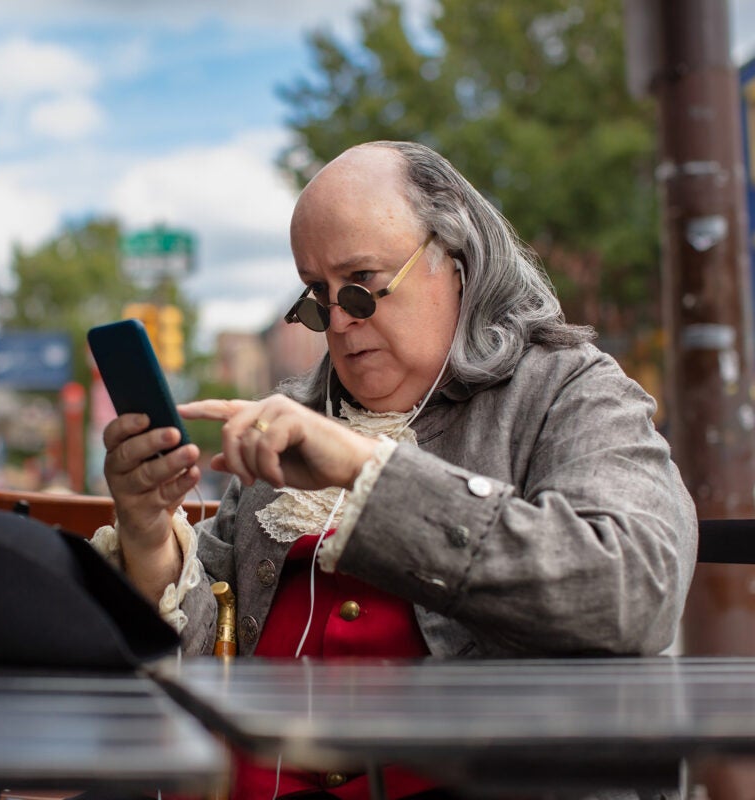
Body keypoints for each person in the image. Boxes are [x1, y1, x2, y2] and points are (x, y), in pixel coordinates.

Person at [95, 140, 698, 799]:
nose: (342, 324)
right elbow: (213, 653)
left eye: (363, 286)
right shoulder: (293, 413)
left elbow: (632, 590)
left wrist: (366, 469)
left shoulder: (568, 392)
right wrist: (150, 531)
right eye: (318, 298)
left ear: (456, 258)